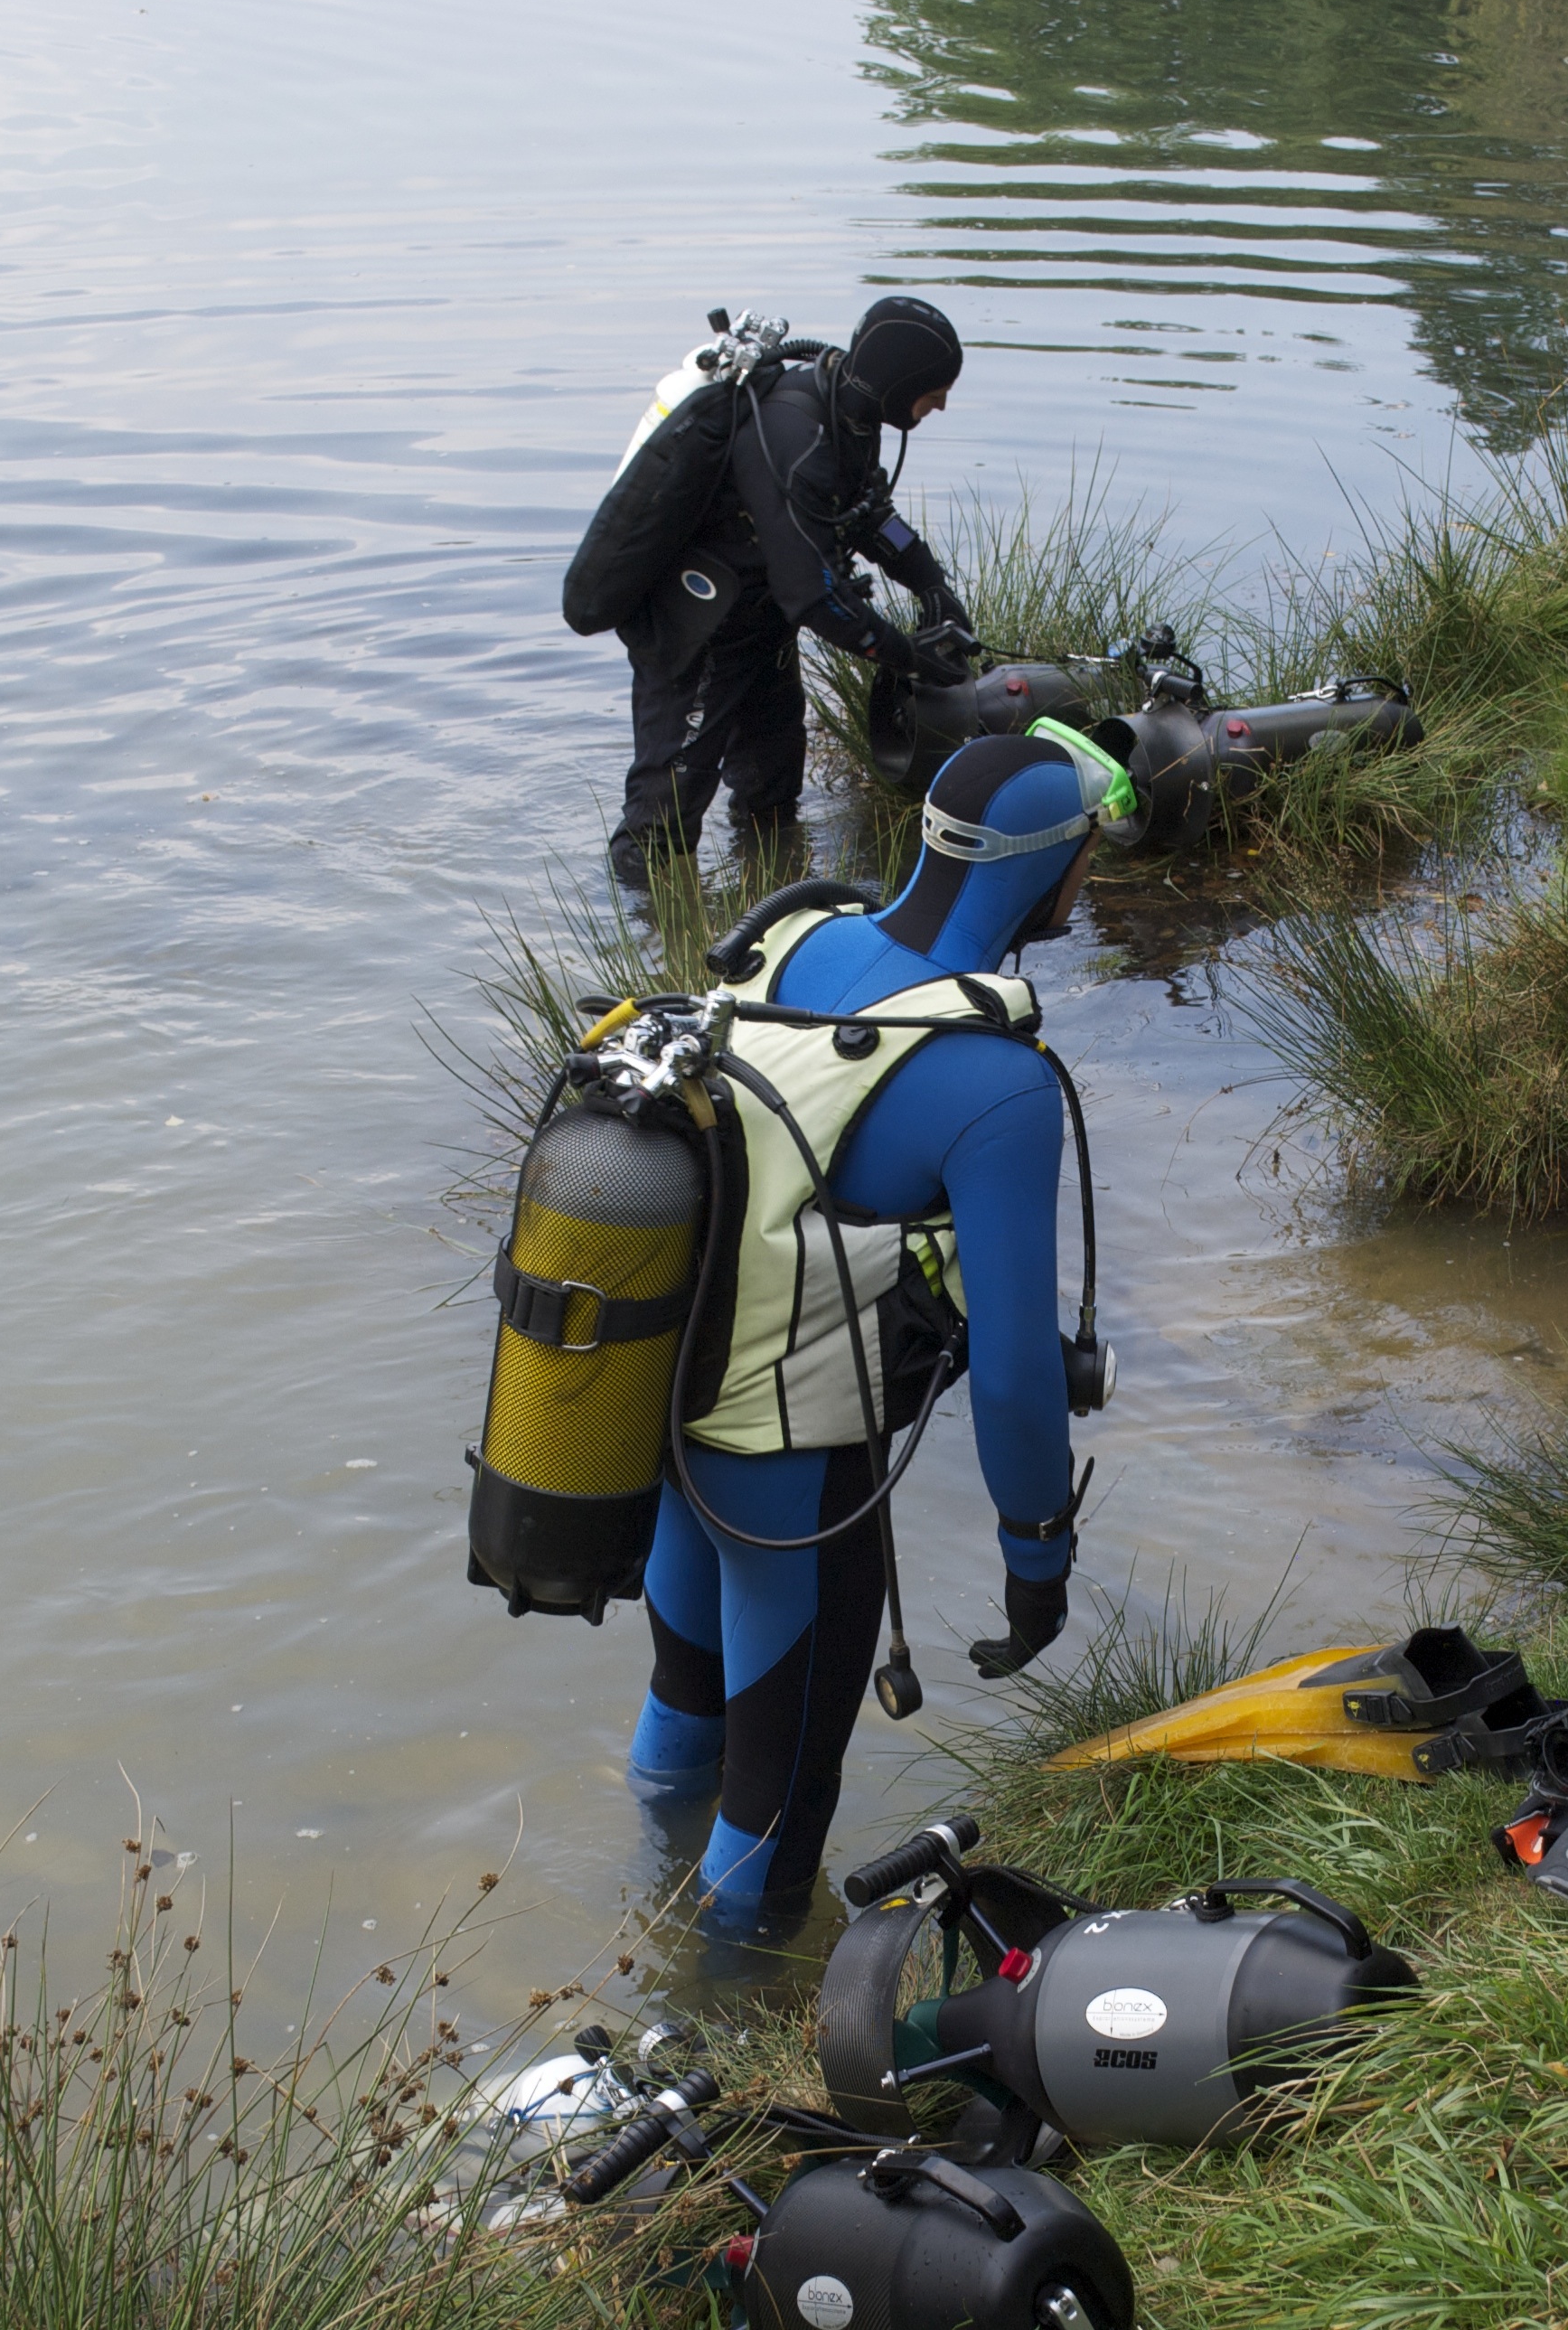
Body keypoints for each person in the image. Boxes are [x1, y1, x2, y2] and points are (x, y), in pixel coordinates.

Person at [627, 728, 1126, 1924]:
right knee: (778, 1806)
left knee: (682, 1714)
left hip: (665, 1407)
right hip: (794, 1486)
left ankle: (631, 1913)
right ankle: (729, 2032)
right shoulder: (989, 1074)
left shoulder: (792, 933)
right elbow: (1013, 1375)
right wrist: (1036, 1561)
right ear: (1055, 869)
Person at [610, 296, 975, 889]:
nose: (941, 403)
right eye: (934, 389)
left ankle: (766, 904)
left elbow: (868, 514)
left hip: (757, 618)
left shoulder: (846, 415)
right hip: (693, 627)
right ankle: (648, 937)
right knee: (663, 819)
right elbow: (814, 597)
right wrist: (907, 657)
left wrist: (931, 584)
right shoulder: (794, 437)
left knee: (772, 790)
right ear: (898, 381)